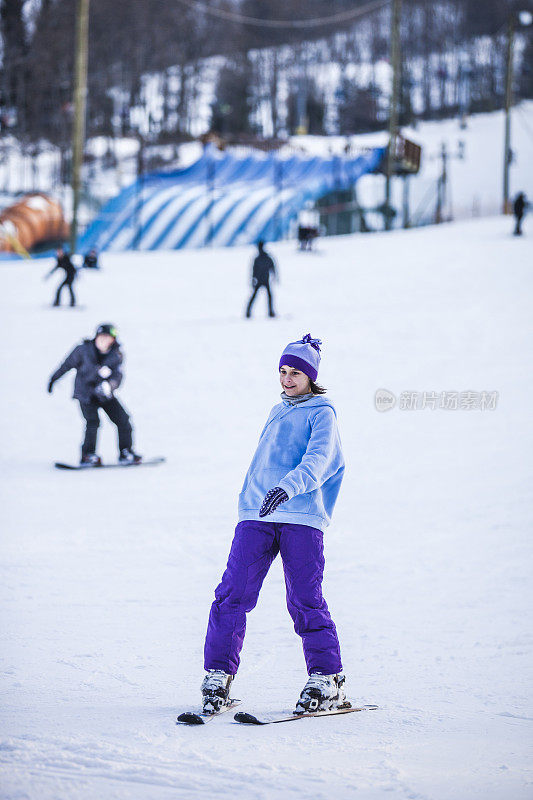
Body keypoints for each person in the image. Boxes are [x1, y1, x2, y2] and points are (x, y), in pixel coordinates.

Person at [201, 334, 347, 715]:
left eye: (295, 372)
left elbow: (318, 461)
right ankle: (218, 676)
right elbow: (261, 462)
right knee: (232, 593)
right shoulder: (277, 410)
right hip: (257, 514)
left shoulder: (322, 412)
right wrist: (248, 500)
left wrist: (287, 488)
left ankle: (326, 678)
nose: (286, 379)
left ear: (311, 376)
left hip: (300, 516)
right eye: (282, 371)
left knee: (304, 598)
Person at [47, 323, 141, 466]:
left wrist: (109, 385)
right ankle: (88, 455)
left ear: (113, 340)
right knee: (93, 422)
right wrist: (54, 379)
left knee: (123, 420)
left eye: (107, 338)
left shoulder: (116, 355)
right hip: (85, 394)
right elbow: (66, 365)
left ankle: (126, 452)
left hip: (104, 394)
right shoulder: (82, 350)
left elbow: (118, 376)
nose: (103, 341)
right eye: (101, 337)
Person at [245, 241, 276, 318]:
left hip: (263, 280)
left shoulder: (261, 258)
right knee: (265, 296)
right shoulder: (261, 258)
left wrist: (253, 279)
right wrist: (253, 279)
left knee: (267, 296)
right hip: (262, 280)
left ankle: (249, 312)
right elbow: (254, 270)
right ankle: (249, 312)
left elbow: (272, 267)